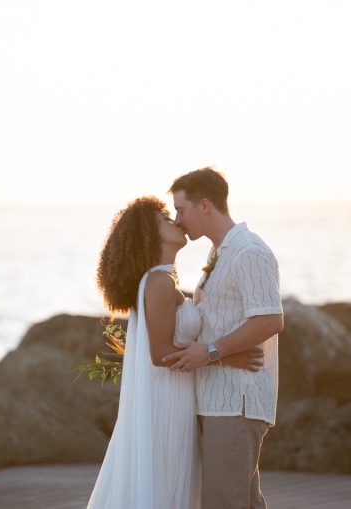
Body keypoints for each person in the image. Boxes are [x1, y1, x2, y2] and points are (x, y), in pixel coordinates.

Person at [86, 196, 265, 509]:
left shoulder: (162, 280)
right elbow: (161, 355)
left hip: (176, 394)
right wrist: (225, 356)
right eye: (166, 219)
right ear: (150, 236)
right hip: (165, 400)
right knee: (166, 484)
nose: (177, 221)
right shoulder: (157, 282)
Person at [162, 167, 284, 509]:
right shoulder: (220, 253)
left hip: (236, 402)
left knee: (224, 502)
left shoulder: (248, 251)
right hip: (219, 400)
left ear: (204, 206)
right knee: (241, 501)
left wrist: (213, 352)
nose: (178, 219)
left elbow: (271, 319)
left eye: (181, 210)